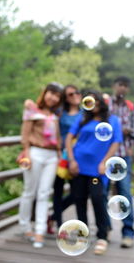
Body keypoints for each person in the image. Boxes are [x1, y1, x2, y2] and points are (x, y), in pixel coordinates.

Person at [66, 89, 123, 255]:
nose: (94, 105)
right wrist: (71, 160)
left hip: (98, 168)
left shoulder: (113, 120)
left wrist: (105, 161)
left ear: (102, 103)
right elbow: (69, 138)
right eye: (91, 102)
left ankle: (102, 236)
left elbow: (116, 142)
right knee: (79, 199)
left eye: (96, 102)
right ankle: (83, 234)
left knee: (98, 199)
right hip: (79, 165)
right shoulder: (83, 118)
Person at [18, 82, 63, 249]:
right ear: (45, 93)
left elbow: (58, 137)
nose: (53, 97)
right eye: (51, 93)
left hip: (52, 156)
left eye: (57, 95)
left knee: (44, 193)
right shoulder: (32, 108)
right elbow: (25, 133)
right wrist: (26, 154)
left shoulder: (56, 114)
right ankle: (25, 226)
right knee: (29, 191)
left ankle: (40, 230)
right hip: (35, 153)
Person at [106, 76, 134, 248]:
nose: (123, 88)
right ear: (114, 86)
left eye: (126, 86)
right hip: (105, 155)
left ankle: (128, 233)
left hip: (123, 155)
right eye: (120, 85)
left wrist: (130, 139)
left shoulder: (130, 107)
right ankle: (105, 230)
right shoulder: (105, 104)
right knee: (102, 193)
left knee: (125, 192)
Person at [50, 84, 83, 230]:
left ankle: (51, 217)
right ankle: (58, 223)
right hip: (60, 156)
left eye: (77, 92)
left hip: (77, 158)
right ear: (66, 98)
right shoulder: (59, 112)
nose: (75, 95)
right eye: (70, 94)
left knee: (78, 193)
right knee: (57, 190)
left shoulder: (85, 113)